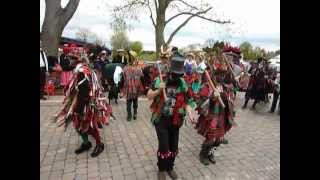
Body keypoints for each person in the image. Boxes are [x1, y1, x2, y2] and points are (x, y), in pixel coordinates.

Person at [147, 54, 197, 180]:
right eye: (175, 74)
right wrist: (158, 90)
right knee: (164, 146)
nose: (177, 77)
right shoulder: (160, 80)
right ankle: (162, 169)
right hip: (162, 119)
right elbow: (149, 95)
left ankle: (170, 167)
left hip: (176, 120)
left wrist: (190, 113)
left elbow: (188, 102)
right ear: (170, 71)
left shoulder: (183, 84)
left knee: (173, 146)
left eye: (179, 74)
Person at [54, 53, 112, 158]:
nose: (69, 61)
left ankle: (100, 145)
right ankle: (86, 143)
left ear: (77, 60)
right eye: (69, 59)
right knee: (77, 124)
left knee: (89, 126)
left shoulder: (82, 71)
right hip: (79, 102)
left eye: (71, 59)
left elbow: (85, 90)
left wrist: (79, 108)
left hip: (85, 104)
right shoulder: (79, 69)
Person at [120, 50, 144, 121]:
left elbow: (122, 78)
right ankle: (135, 114)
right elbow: (142, 78)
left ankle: (129, 116)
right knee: (135, 100)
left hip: (128, 87)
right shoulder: (138, 69)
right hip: (136, 87)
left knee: (129, 101)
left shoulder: (125, 68)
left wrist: (121, 87)